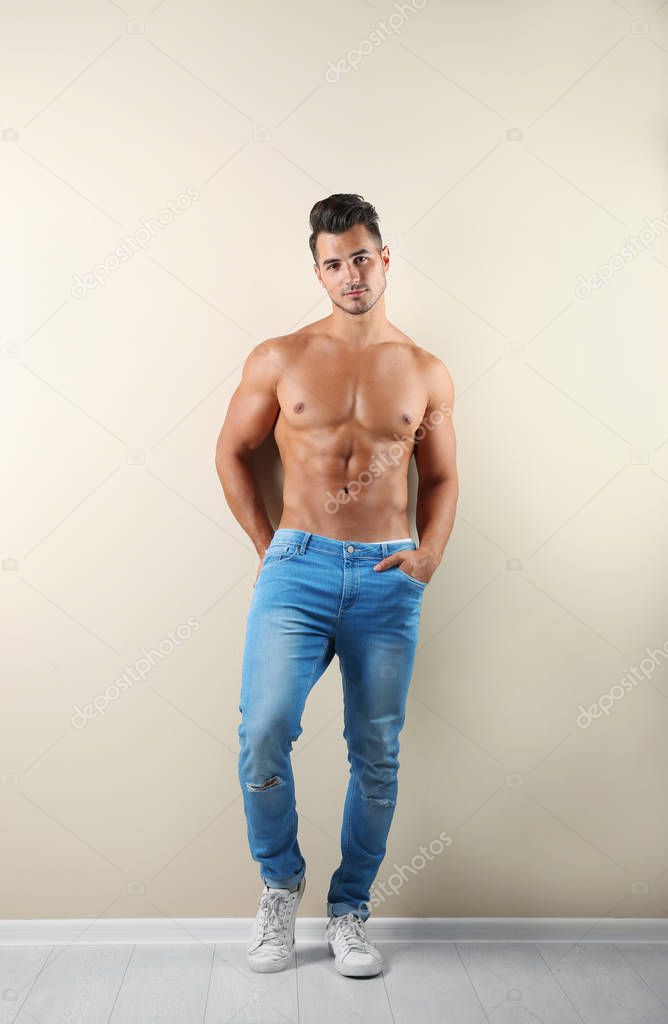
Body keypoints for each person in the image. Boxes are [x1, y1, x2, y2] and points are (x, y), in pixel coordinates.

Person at [215, 193, 458, 977]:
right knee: (263, 732)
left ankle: (350, 907)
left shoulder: (424, 370)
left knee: (376, 754)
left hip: (389, 573)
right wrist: (267, 546)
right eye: (333, 262)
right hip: (299, 566)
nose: (350, 274)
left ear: (384, 259)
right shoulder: (279, 357)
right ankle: (281, 886)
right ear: (316, 271)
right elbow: (231, 452)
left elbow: (445, 477)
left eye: (361, 257)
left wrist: (428, 555)